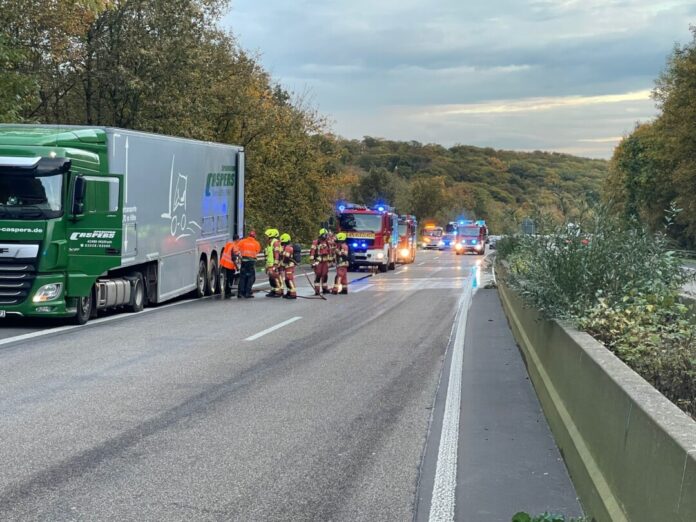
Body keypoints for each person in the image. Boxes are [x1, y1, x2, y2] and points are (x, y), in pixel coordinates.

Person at [236, 230, 261, 298]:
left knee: (242, 277)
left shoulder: (243, 241)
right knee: (250, 277)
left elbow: (236, 249)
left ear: (248, 235)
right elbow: (257, 251)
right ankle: (248, 292)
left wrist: (239, 254)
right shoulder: (256, 243)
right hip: (251, 262)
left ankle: (240, 293)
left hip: (244, 261)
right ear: (254, 236)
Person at [310, 228, 332, 295]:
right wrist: (312, 261)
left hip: (325, 262)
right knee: (318, 275)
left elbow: (329, 251)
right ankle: (317, 291)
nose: (326, 236)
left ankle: (325, 289)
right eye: (325, 235)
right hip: (318, 261)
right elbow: (312, 251)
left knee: (325, 275)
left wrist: (330, 260)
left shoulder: (327, 242)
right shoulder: (316, 242)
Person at [264, 228, 284, 298]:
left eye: (266, 236)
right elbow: (268, 255)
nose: (265, 237)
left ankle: (278, 292)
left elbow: (277, 254)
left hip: (275, 264)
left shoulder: (275, 243)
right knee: (271, 278)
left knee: (275, 277)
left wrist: (275, 264)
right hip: (270, 264)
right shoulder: (269, 243)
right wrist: (267, 265)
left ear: (271, 236)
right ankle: (273, 290)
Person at [220, 233, 240, 298]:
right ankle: (228, 293)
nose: (239, 241)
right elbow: (233, 258)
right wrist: (237, 267)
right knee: (230, 279)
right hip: (230, 265)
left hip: (224, 263)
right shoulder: (234, 246)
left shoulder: (228, 244)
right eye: (238, 239)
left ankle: (227, 292)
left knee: (227, 278)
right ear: (237, 239)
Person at [279, 233, 297, 299]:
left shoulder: (288, 248)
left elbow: (286, 258)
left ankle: (293, 294)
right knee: (287, 279)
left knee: (289, 279)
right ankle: (289, 292)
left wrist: (282, 264)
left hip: (289, 266)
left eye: (282, 241)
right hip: (288, 266)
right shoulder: (286, 247)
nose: (281, 243)